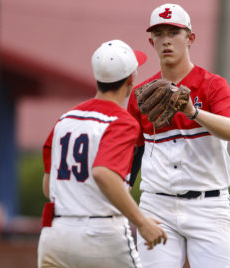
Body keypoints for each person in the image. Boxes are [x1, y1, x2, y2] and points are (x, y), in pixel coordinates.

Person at [128, 3, 230, 268]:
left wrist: (193, 112)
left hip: (209, 206)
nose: (166, 40)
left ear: (190, 38)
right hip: (157, 206)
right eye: (159, 34)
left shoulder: (212, 84)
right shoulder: (143, 95)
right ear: (151, 41)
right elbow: (132, 154)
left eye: (173, 32)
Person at [37, 40, 167, 268]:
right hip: (100, 235)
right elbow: (104, 174)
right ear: (131, 78)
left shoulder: (65, 120)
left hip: (56, 235)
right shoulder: (122, 121)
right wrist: (142, 222)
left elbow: (49, 187)